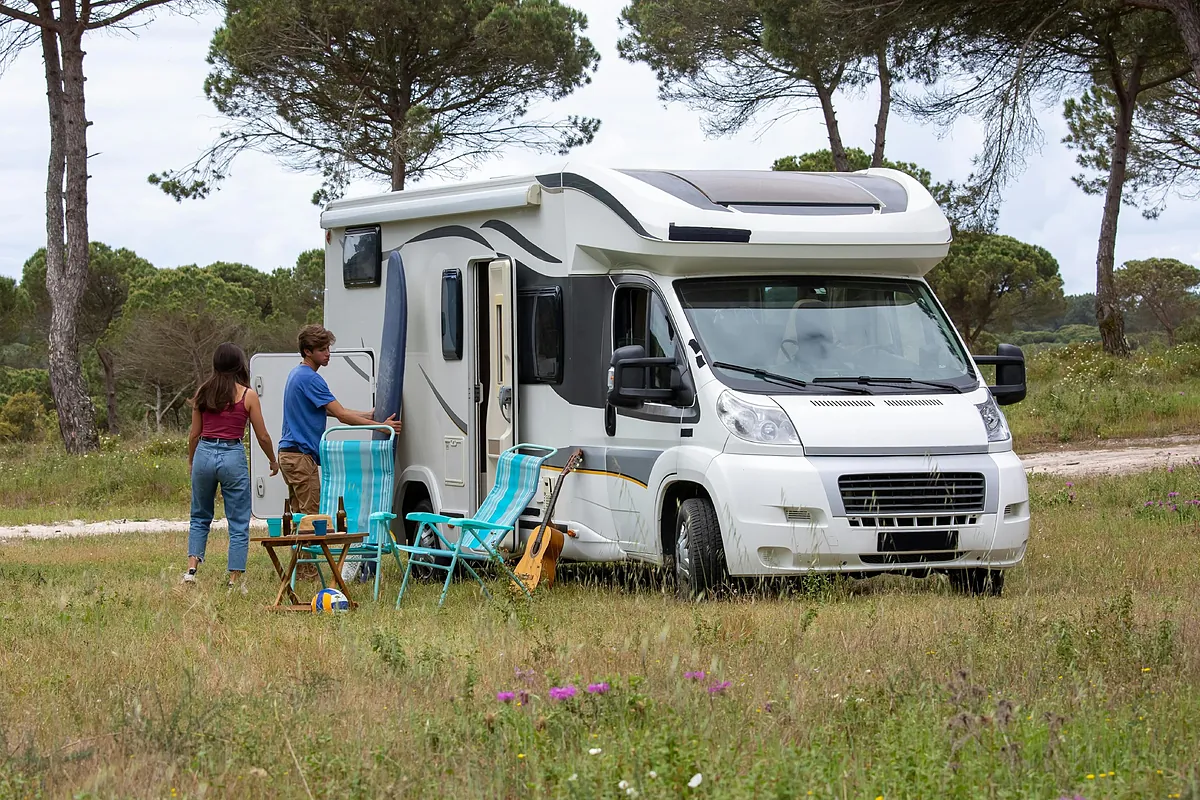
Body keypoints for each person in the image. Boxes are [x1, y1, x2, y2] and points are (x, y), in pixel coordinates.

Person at [277, 323, 402, 530]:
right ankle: (307, 563)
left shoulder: (297, 374)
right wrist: (381, 426)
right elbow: (341, 415)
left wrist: (367, 414)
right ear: (307, 352)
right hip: (300, 457)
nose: (328, 354)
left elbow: (329, 410)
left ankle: (301, 562)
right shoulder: (310, 378)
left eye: (328, 348)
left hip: (289, 455)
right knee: (312, 519)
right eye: (322, 350)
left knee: (300, 519)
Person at [183, 342, 279, 591]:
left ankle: (192, 570)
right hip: (232, 454)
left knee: (199, 515)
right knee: (238, 520)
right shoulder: (247, 395)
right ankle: (234, 579)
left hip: (204, 451)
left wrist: (192, 459)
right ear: (239, 364)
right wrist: (272, 459)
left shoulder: (204, 392)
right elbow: (263, 436)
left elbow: (194, 434)